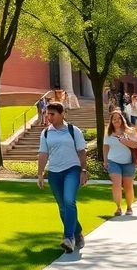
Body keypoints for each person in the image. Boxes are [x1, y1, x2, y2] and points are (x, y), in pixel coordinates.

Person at [37, 102, 88, 253]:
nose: (49, 117)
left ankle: (68, 237)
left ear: (62, 114)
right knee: (62, 206)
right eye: (47, 114)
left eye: (52, 114)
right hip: (54, 173)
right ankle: (77, 231)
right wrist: (40, 174)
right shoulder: (46, 133)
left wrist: (83, 170)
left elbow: (82, 151)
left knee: (69, 201)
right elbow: (43, 154)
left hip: (72, 170)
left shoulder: (73, 130)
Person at [104, 110, 137, 216]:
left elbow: (136, 144)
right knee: (117, 184)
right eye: (114, 119)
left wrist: (125, 141)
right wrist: (105, 161)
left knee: (128, 186)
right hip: (113, 161)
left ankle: (129, 207)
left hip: (128, 162)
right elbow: (105, 147)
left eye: (118, 118)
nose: (116, 121)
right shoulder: (108, 133)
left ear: (122, 119)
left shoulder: (130, 131)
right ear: (111, 121)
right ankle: (118, 207)